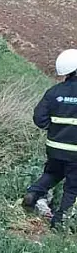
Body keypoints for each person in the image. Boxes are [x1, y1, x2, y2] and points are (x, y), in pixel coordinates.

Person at [24, 49, 77, 229]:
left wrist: (56, 129)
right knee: (72, 187)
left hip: (54, 147)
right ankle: (60, 220)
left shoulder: (53, 92)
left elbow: (39, 118)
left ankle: (32, 194)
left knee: (52, 174)